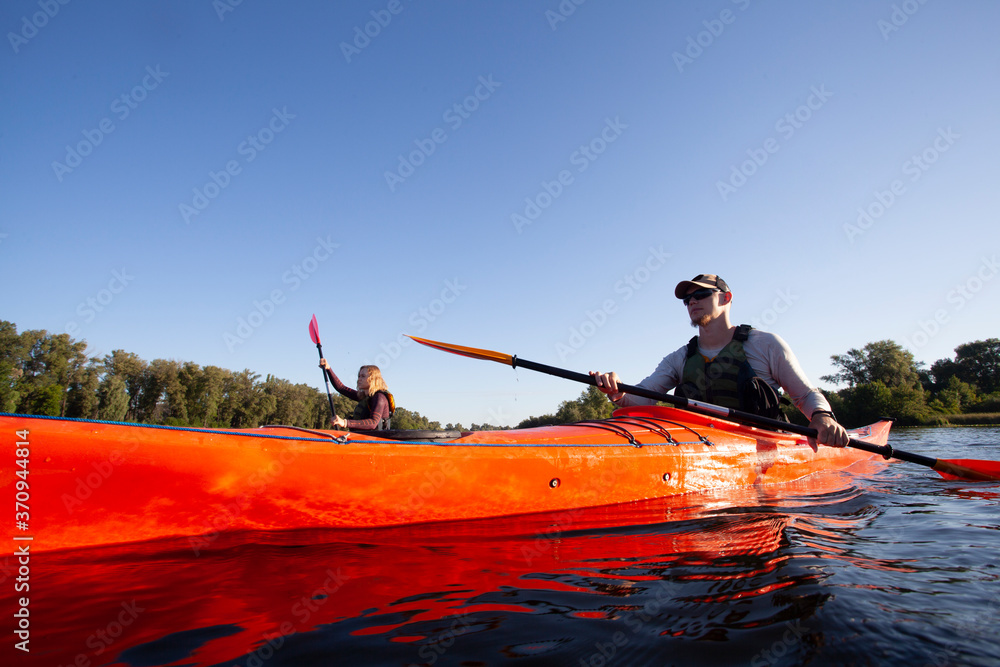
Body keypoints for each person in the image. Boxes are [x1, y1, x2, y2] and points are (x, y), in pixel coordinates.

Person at [589, 274, 849, 448]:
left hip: (761, 448)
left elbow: (805, 394)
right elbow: (641, 398)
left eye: (701, 295)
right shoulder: (679, 358)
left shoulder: (765, 344)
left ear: (726, 298)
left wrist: (822, 418)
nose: (692, 302)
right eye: (687, 299)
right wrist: (616, 391)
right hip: (699, 446)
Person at [319, 359, 395, 430]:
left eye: (363, 376)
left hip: (375, 441)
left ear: (373, 379)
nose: (359, 379)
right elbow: (341, 388)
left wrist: (345, 422)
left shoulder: (379, 397)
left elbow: (373, 422)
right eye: (359, 376)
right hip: (362, 438)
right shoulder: (364, 396)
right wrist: (328, 369)